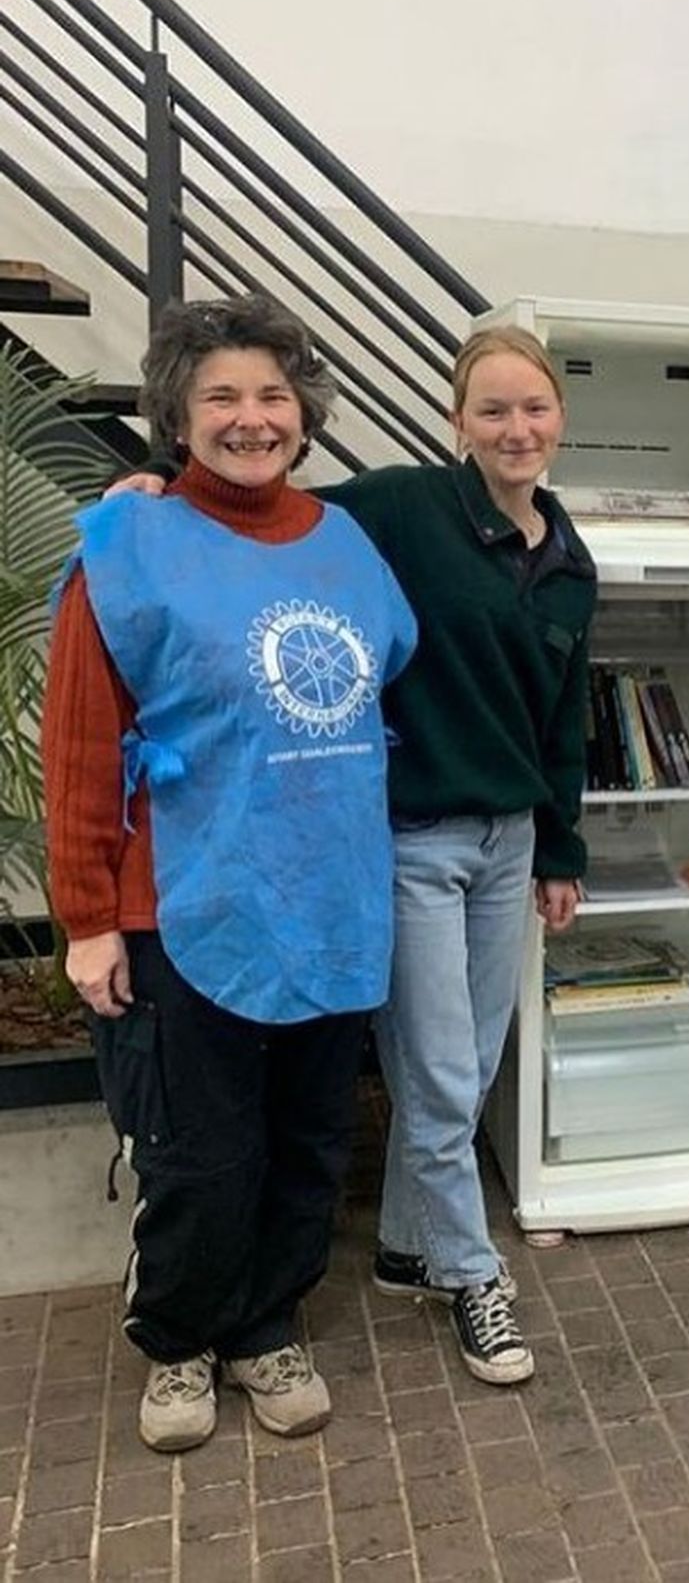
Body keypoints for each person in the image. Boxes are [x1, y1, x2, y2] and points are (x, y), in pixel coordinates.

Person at [111, 323, 596, 1386]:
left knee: (468, 1068)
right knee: (436, 1065)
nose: (517, 429)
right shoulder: (399, 509)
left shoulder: (569, 561)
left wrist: (560, 846)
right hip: (411, 839)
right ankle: (473, 1277)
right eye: (493, 410)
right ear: (456, 422)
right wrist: (153, 476)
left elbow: (566, 723)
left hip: (507, 843)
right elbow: (254, 496)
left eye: (535, 408)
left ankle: (403, 1248)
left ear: (561, 417)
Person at [43, 295, 417, 1452]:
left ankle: (267, 1323)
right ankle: (178, 1341)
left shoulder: (346, 542)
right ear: (178, 415)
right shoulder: (127, 544)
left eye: (271, 396)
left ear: (303, 414)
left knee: (311, 1142)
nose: (249, 418)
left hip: (330, 896)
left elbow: (389, 670)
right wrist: (90, 918)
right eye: (221, 398)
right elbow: (78, 742)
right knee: (201, 1153)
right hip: (184, 903)